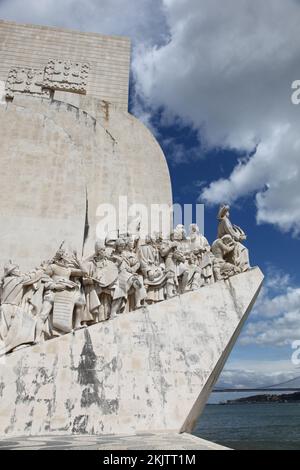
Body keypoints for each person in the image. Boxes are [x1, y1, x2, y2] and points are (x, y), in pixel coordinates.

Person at [217, 205, 250, 271]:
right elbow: (230, 231)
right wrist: (240, 237)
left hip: (225, 242)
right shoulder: (225, 220)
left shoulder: (221, 223)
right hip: (228, 241)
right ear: (225, 212)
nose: (229, 213)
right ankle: (244, 267)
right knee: (244, 249)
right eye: (227, 211)